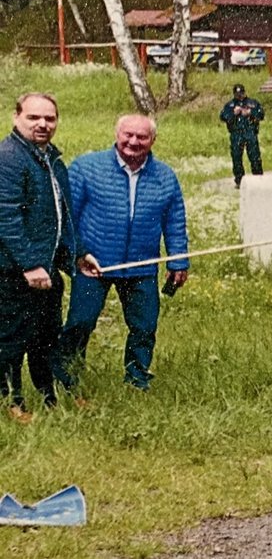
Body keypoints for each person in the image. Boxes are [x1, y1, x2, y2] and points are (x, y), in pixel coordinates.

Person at [55, 115, 189, 391]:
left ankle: (137, 379)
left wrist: (178, 259)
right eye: (128, 135)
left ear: (153, 140)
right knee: (81, 322)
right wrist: (76, 254)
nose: (133, 142)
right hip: (93, 264)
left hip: (142, 266)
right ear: (117, 134)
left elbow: (175, 221)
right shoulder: (86, 168)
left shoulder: (165, 177)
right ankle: (66, 379)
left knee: (144, 327)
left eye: (142, 137)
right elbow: (68, 217)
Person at [0, 93, 99, 422]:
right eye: (33, 118)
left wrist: (78, 254)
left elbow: (63, 215)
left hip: (46, 268)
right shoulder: (9, 158)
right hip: (14, 271)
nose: (43, 124)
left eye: (50, 119)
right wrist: (29, 264)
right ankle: (12, 403)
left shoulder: (51, 158)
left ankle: (49, 398)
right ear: (17, 118)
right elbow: (7, 218)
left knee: (46, 338)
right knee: (12, 339)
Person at [220, 84, 264, 188]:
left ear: (244, 92)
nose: (239, 96)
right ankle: (239, 180)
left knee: (255, 157)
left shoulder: (252, 103)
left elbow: (261, 114)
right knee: (236, 158)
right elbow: (223, 116)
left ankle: (258, 178)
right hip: (236, 133)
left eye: (241, 94)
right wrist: (233, 113)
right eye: (237, 94)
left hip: (250, 133)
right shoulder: (230, 105)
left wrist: (250, 112)